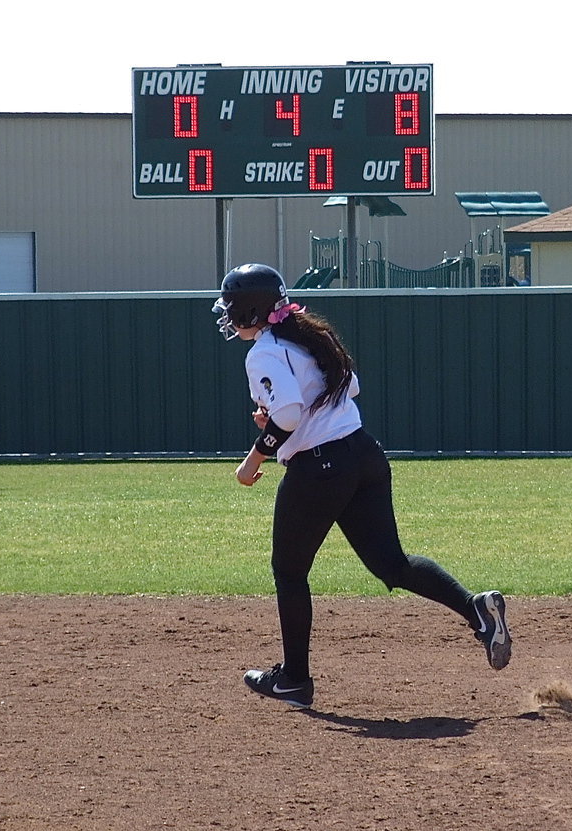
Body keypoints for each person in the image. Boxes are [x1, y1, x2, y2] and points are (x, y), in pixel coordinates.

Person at [213, 263, 511, 709]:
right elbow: (348, 387)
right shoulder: (308, 334)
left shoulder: (263, 351)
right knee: (392, 564)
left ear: (251, 310)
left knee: (289, 573)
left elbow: (291, 415)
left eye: (233, 306)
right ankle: (476, 609)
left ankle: (294, 680)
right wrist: (279, 419)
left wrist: (252, 459)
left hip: (320, 468)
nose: (228, 314)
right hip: (364, 454)